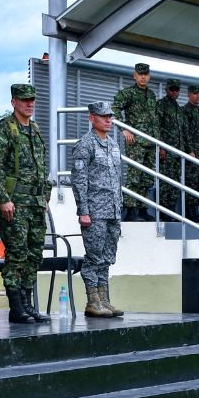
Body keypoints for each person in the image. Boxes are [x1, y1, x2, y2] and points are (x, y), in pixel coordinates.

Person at [0, 83, 53, 324]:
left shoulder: (34, 129)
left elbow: (42, 167)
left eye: (32, 100)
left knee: (34, 255)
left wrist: (44, 196)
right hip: (15, 203)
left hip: (34, 203)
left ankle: (28, 304)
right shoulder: (5, 130)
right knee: (17, 255)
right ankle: (17, 308)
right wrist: (4, 199)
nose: (29, 104)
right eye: (24, 100)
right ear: (14, 101)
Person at [70, 101, 126, 318]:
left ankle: (104, 299)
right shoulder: (85, 144)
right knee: (94, 257)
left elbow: (117, 179)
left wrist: (118, 207)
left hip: (112, 210)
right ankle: (93, 300)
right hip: (94, 212)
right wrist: (83, 211)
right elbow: (80, 180)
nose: (108, 120)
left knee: (107, 256)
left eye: (110, 116)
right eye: (104, 117)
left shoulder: (113, 144)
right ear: (92, 118)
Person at [111, 63, 158, 222]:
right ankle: (130, 210)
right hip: (136, 142)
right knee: (134, 176)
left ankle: (142, 209)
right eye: (140, 74)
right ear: (135, 75)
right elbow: (114, 110)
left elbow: (154, 119)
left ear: (149, 75)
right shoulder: (127, 93)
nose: (143, 77)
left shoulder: (151, 95)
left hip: (151, 142)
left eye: (145, 74)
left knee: (147, 177)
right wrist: (124, 130)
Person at [155, 78, 186, 219]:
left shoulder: (178, 109)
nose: (174, 92)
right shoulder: (161, 105)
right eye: (172, 89)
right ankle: (163, 212)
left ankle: (171, 211)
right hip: (166, 150)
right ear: (167, 89)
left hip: (177, 151)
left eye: (177, 89)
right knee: (165, 182)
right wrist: (161, 146)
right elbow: (157, 126)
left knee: (175, 182)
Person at [179, 83, 199, 222]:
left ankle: (195, 211)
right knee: (190, 183)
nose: (198, 96)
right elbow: (184, 133)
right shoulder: (184, 111)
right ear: (189, 95)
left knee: (197, 183)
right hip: (191, 154)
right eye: (195, 93)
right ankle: (189, 213)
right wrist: (189, 150)